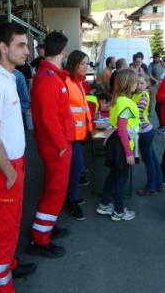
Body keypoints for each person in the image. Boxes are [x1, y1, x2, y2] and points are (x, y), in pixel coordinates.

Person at [0, 23, 36, 292]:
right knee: (2, 229)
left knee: (11, 223)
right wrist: (10, 172)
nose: (27, 51)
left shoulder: (8, 78)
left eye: (27, 45)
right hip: (3, 168)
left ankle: (8, 264)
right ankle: (0, 286)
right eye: (21, 45)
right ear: (3, 48)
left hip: (14, 164)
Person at [28, 31, 76, 258]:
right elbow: (49, 118)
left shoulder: (50, 75)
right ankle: (40, 239)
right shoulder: (49, 78)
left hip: (56, 144)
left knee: (52, 189)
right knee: (55, 191)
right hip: (56, 146)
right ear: (63, 51)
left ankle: (46, 227)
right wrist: (62, 145)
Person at [96, 69, 139, 221]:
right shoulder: (125, 102)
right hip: (122, 145)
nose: (136, 84)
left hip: (116, 143)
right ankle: (119, 211)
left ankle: (104, 204)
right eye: (135, 81)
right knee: (121, 179)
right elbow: (122, 129)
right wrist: (129, 153)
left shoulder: (117, 100)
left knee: (114, 176)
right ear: (129, 84)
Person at [64, 50, 93, 221]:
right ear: (74, 64)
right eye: (82, 63)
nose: (85, 67)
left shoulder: (77, 82)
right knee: (76, 168)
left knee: (76, 168)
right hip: (70, 135)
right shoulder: (67, 82)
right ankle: (71, 201)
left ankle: (70, 198)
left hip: (77, 134)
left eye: (86, 63)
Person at [133, 74, 162, 195]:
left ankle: (151, 187)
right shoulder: (136, 94)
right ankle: (158, 183)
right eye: (137, 83)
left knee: (148, 161)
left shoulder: (143, 95)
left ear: (147, 85)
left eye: (142, 83)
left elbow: (138, 114)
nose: (139, 85)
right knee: (153, 159)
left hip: (144, 132)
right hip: (147, 130)